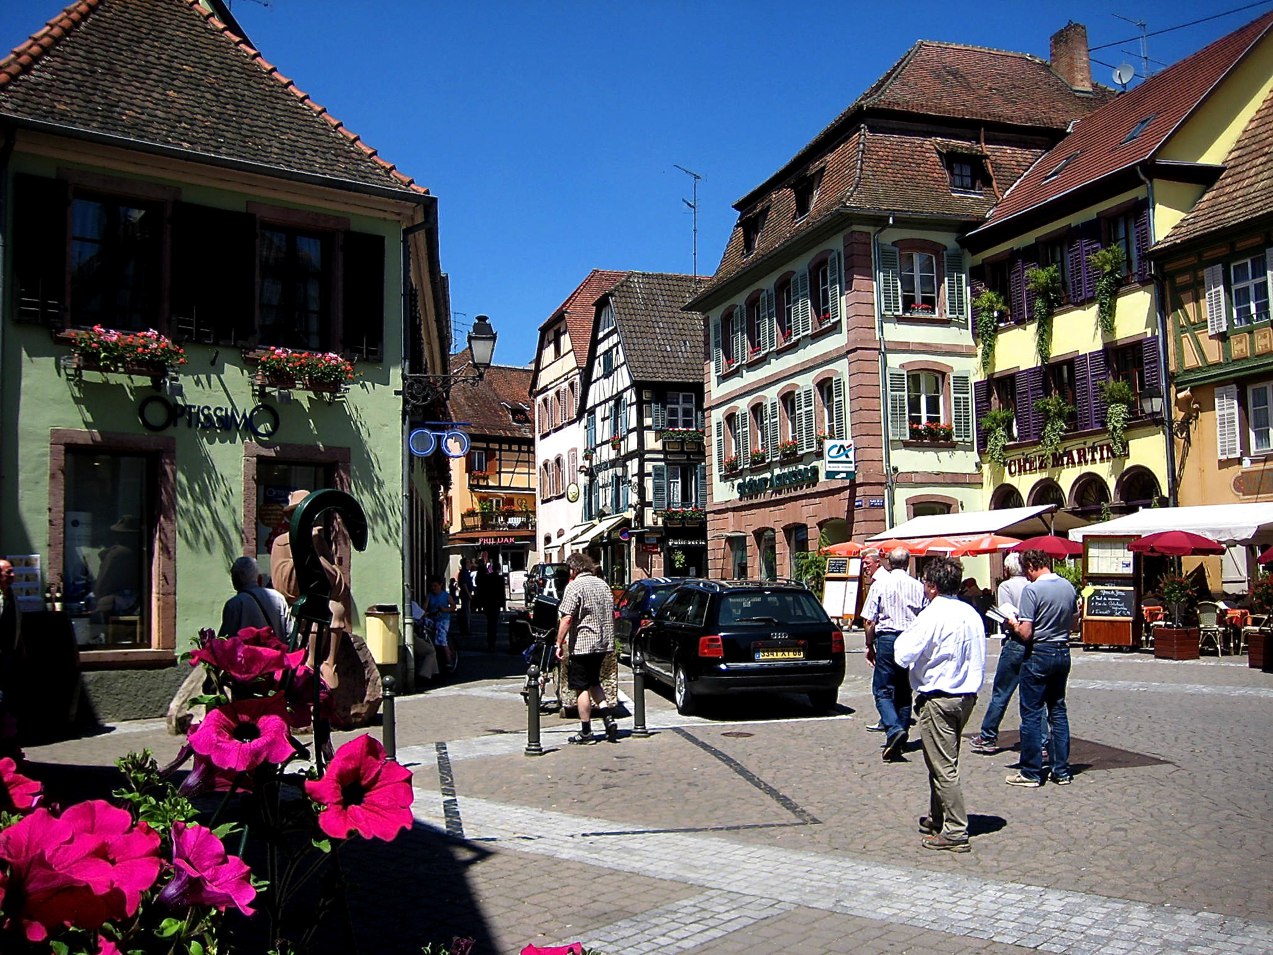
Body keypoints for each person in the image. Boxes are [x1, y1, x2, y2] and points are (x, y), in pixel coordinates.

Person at [895, 556, 987, 852]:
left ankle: (956, 829)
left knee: (944, 765)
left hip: (940, 697)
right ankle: (938, 816)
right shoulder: (970, 612)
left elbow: (902, 654)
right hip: (966, 695)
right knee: (942, 760)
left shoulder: (932, 614)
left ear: (932, 586)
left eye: (925, 582)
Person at [1005, 548, 1077, 788]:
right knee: (1058, 710)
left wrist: (1013, 624)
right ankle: (1061, 770)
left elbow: (1026, 632)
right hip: (1062, 651)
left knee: (1032, 713)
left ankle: (1031, 772)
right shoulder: (1067, 586)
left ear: (1030, 567)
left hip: (1039, 652)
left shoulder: (1033, 590)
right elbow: (1075, 622)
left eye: (1026, 571)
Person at [862, 545, 926, 761]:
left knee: (882, 689)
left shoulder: (881, 584)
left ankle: (893, 728)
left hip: (888, 639)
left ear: (888, 562)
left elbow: (869, 620)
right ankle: (901, 736)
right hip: (910, 638)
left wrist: (869, 644)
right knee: (904, 689)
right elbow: (926, 616)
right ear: (907, 563)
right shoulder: (918, 586)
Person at [970, 553, 1031, 754]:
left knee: (1001, 692)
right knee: (1032, 696)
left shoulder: (1006, 586)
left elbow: (1007, 613)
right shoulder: (1032, 584)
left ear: (1007, 569)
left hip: (1014, 641)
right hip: (1032, 641)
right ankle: (1039, 741)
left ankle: (988, 735)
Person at [555, 553, 619, 744]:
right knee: (594, 682)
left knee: (581, 687)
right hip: (603, 643)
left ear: (574, 569)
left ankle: (586, 731)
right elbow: (611, 613)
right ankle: (608, 719)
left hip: (583, 644)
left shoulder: (575, 586)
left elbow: (567, 617)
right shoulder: (603, 585)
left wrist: (558, 643)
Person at [219, 556, 291, 640]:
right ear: (259, 578)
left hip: (247, 649)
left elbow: (224, 640)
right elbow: (289, 634)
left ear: (235, 580)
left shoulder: (234, 604)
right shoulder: (278, 598)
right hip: (276, 648)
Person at [424, 574, 455, 672]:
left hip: (443, 619)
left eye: (435, 586)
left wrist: (445, 609)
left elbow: (453, 607)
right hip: (433, 618)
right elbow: (424, 607)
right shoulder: (430, 595)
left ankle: (449, 660)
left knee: (442, 638)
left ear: (440, 585)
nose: (434, 588)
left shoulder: (446, 595)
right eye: (432, 586)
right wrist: (424, 613)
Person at [456, 560, 473, 635]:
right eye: (469, 563)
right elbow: (464, 584)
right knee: (466, 612)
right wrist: (469, 594)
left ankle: (466, 629)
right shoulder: (464, 572)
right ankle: (466, 630)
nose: (470, 564)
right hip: (465, 594)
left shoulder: (465, 572)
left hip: (465, 594)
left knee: (466, 611)